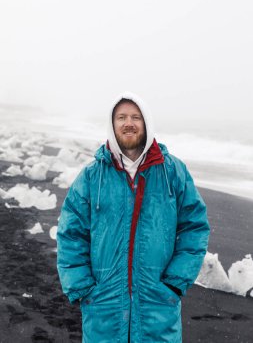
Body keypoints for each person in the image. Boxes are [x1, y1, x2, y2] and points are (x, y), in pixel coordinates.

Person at [57, 92, 210, 343]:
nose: (129, 123)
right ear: (112, 124)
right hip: (103, 305)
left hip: (157, 304)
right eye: (122, 117)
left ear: (146, 123)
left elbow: (195, 227)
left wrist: (174, 282)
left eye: (136, 117)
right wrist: (82, 287)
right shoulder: (92, 177)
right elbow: (71, 234)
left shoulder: (173, 172)